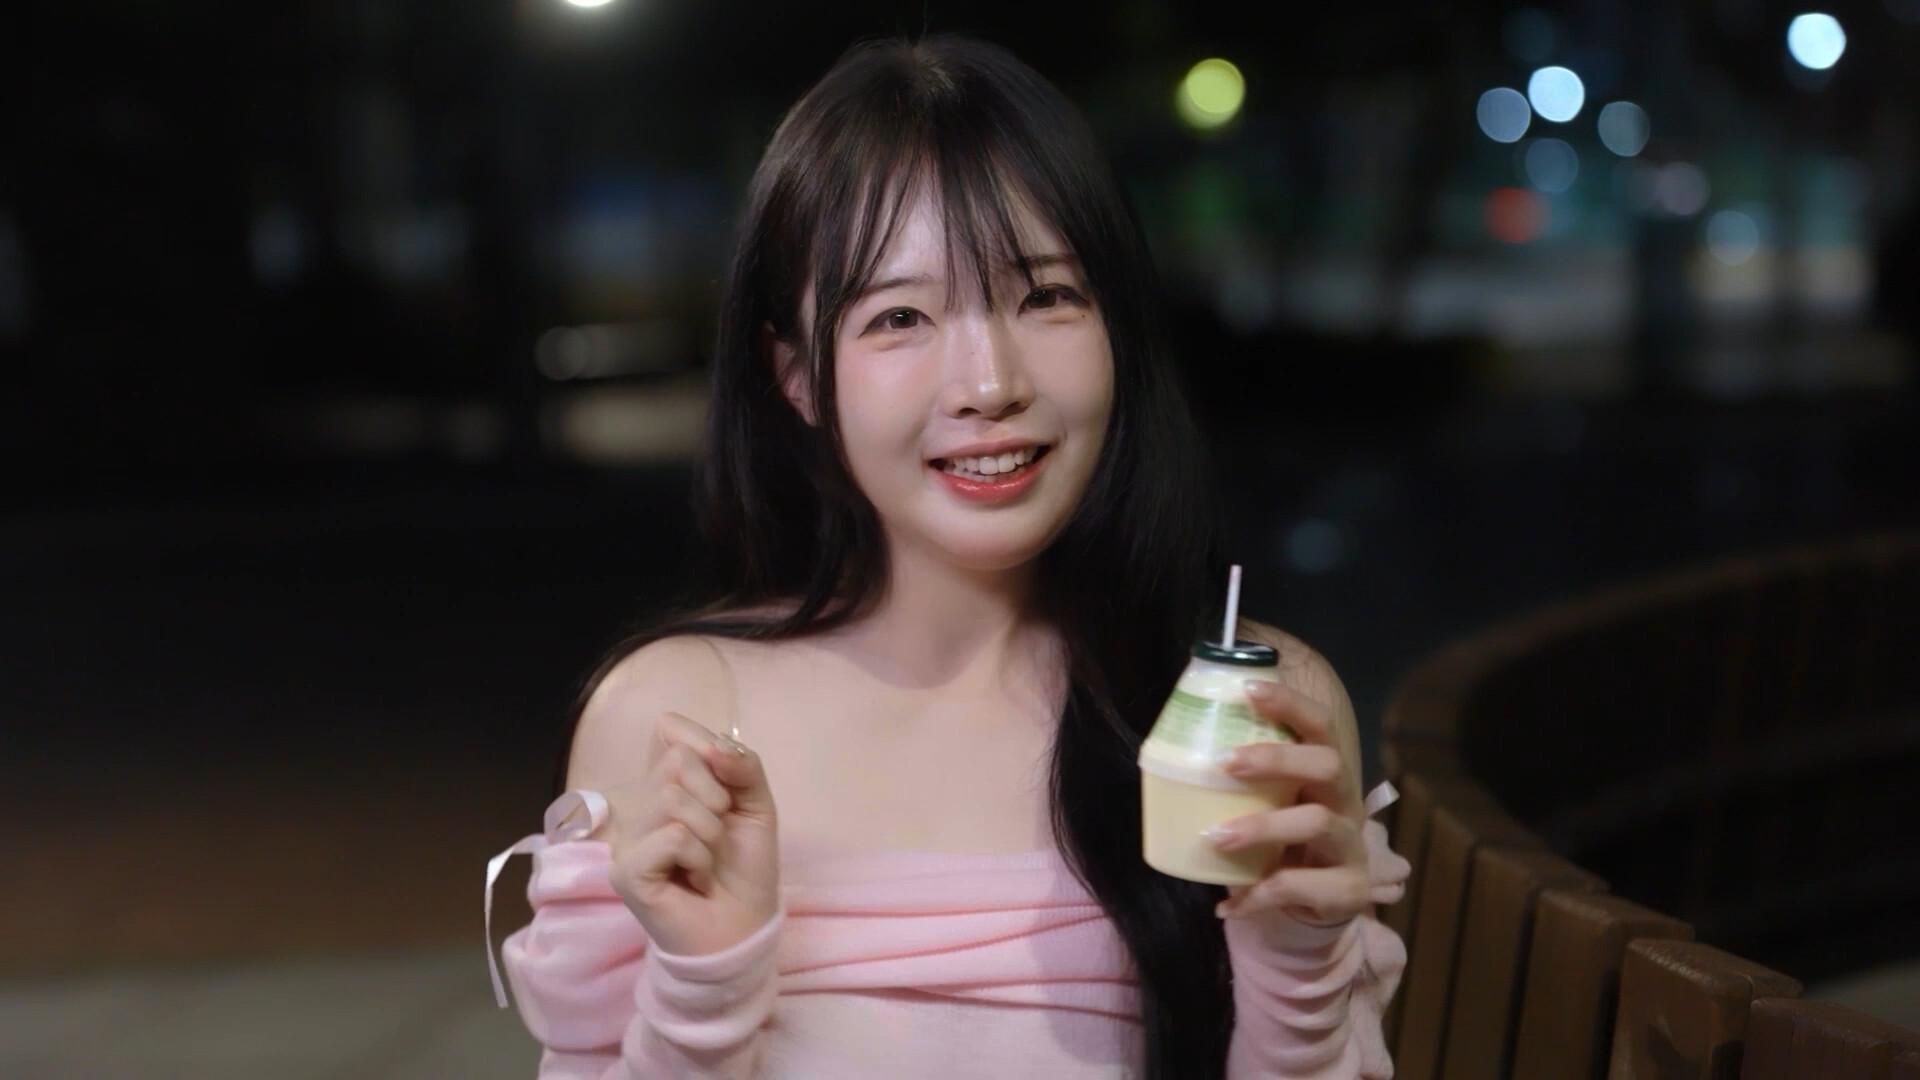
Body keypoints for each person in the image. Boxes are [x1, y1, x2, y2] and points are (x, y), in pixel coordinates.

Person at [488, 34, 1410, 1079]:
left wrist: (1298, 976)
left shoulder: (1254, 715)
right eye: (900, 317)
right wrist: (705, 988)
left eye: (1046, 296)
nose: (988, 384)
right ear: (798, 377)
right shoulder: (673, 725)